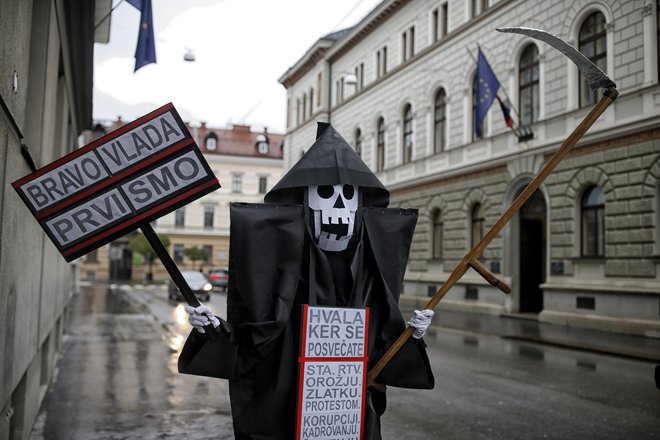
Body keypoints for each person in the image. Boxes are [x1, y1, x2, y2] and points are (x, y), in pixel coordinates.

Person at [179, 123, 435, 439]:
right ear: (304, 204)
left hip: (349, 416)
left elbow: (382, 351)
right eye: (325, 195)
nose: (339, 208)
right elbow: (251, 344)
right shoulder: (281, 275)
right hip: (288, 414)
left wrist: (411, 335)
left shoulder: (369, 277)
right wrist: (212, 330)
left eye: (348, 197)